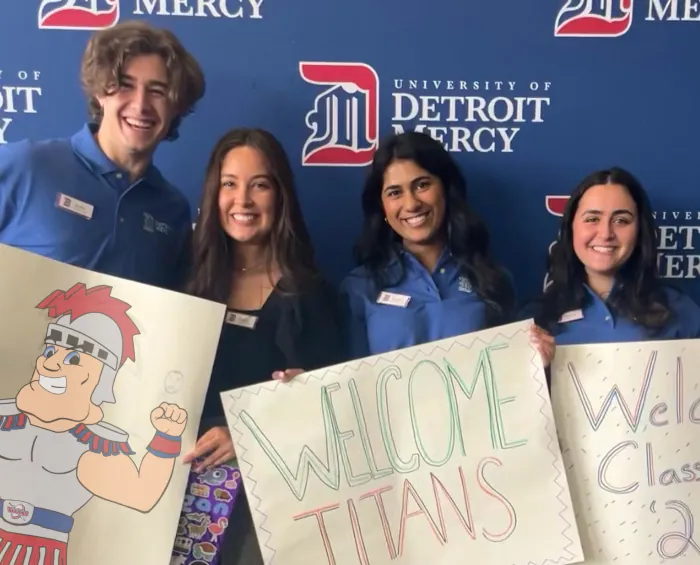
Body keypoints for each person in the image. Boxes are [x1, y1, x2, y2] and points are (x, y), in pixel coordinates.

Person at [181, 127, 346, 565]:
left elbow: (331, 408)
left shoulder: (313, 294)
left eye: (260, 185)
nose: (243, 201)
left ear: (281, 195)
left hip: (268, 504)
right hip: (176, 491)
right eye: (230, 184)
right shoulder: (183, 283)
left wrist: (247, 431)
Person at [0, 20, 205, 291]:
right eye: (125, 85)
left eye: (157, 91)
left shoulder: (172, 210)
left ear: (176, 106)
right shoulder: (26, 166)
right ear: (99, 93)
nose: (141, 104)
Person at [340, 130, 554, 364]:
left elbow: (511, 378)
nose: (411, 203)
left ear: (446, 189)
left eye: (422, 185)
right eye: (395, 193)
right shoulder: (359, 287)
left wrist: (535, 361)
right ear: (382, 207)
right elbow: (346, 386)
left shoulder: (491, 281)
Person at [522, 166, 700, 345]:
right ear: (571, 229)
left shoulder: (679, 311)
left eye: (621, 221)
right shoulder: (534, 319)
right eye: (592, 219)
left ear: (639, 232)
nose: (606, 233)